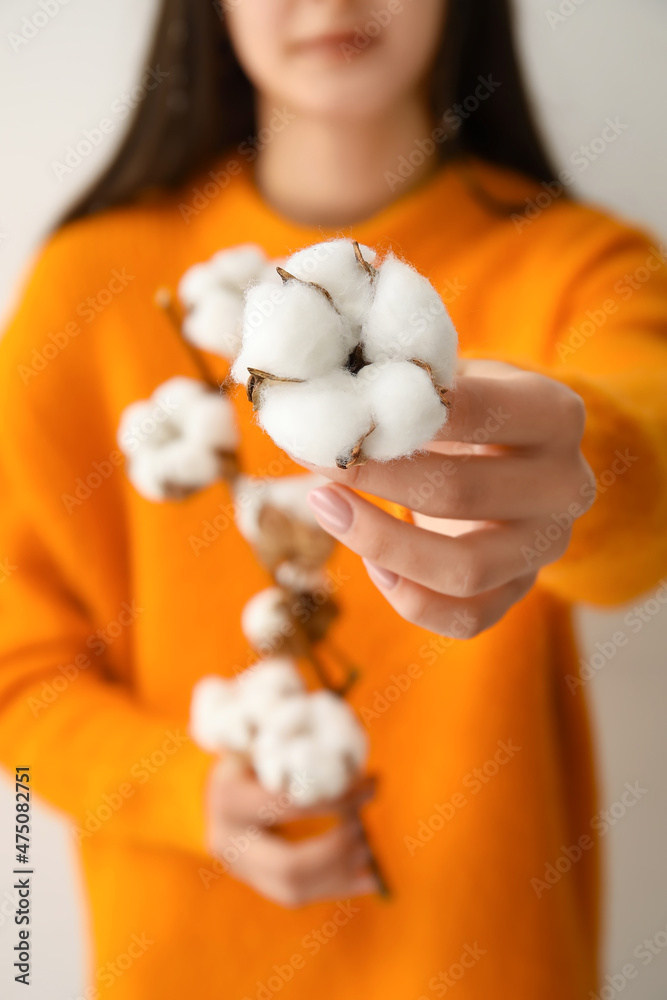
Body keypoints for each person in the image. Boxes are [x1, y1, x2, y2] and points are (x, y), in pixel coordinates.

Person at [1, 1, 665, 997]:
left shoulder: (584, 270)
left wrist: (578, 477)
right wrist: (189, 796)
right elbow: (17, 667)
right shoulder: (92, 289)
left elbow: (640, 499)